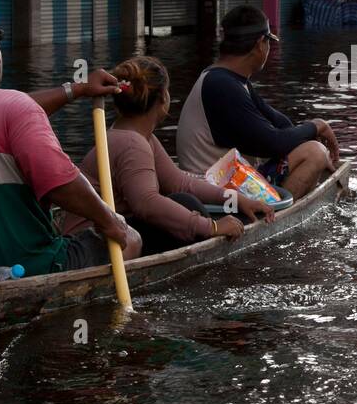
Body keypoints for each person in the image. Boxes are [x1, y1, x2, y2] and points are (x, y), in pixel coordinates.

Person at [0, 3, 141, 280]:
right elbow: (61, 184)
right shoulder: (14, 108)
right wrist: (109, 220)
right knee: (132, 237)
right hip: (25, 269)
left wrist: (77, 89)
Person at [61, 56, 274, 255]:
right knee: (187, 204)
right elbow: (147, 204)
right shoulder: (132, 144)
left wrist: (237, 199)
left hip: (107, 233)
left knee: (184, 199)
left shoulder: (140, 137)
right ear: (163, 98)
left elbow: (179, 182)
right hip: (92, 243)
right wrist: (212, 227)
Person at [178, 5, 338, 199]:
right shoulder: (221, 85)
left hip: (226, 179)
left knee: (308, 145)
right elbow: (273, 143)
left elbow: (280, 123)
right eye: (269, 42)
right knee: (315, 153)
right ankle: (276, 215)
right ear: (261, 43)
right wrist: (317, 126)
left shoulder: (227, 78)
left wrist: (310, 132)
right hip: (215, 189)